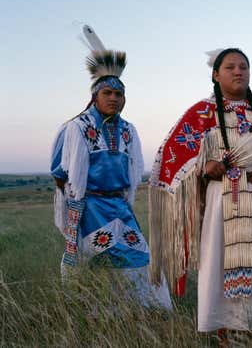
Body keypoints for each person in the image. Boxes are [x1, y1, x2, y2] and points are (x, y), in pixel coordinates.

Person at [148, 48, 252, 335]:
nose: (238, 72)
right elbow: (169, 154)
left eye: (244, 67)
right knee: (219, 269)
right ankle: (223, 334)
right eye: (231, 67)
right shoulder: (201, 113)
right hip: (222, 204)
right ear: (215, 74)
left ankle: (248, 331)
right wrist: (204, 165)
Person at [50, 25, 171, 310]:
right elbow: (67, 174)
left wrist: (125, 203)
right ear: (95, 95)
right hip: (90, 207)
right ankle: (98, 314)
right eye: (108, 92)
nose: (114, 98)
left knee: (140, 256)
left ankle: (144, 310)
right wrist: (75, 210)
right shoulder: (77, 127)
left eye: (119, 94)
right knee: (99, 261)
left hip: (119, 207)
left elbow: (133, 172)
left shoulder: (128, 130)